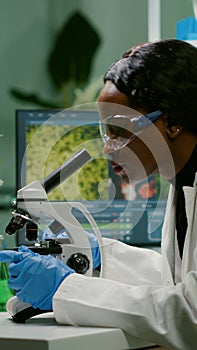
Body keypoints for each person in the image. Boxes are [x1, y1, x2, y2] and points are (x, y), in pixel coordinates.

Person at [0, 39, 197, 349]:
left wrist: (66, 288)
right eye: (106, 133)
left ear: (170, 122)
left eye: (118, 130)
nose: (107, 149)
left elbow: (191, 315)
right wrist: (102, 259)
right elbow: (178, 281)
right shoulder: (183, 180)